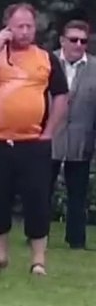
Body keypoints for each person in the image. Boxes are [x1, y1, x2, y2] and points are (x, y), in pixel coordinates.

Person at [0, 3, 68, 275]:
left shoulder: (46, 58)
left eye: (29, 26)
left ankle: (38, 260)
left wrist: (49, 132)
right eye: (19, 26)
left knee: (37, 199)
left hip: (34, 142)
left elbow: (61, 95)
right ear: (7, 27)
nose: (25, 32)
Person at [50, 19, 96, 250]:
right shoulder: (46, 62)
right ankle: (37, 234)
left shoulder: (95, 68)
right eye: (74, 40)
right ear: (62, 40)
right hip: (49, 137)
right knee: (41, 189)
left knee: (78, 193)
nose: (79, 45)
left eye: (83, 41)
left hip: (81, 138)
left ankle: (76, 240)